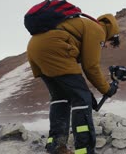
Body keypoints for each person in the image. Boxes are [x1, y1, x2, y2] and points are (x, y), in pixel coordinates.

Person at [27, 13, 120, 154]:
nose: (105, 47)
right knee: (82, 100)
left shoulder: (82, 24)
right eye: (109, 44)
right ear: (112, 35)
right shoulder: (98, 30)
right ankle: (84, 150)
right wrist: (107, 89)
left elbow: (76, 76)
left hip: (35, 48)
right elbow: (90, 67)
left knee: (60, 98)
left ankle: (56, 146)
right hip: (55, 48)